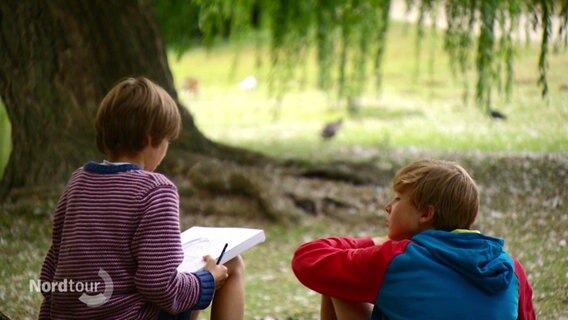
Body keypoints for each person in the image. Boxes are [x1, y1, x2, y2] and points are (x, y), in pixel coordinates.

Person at [39, 77, 245, 320]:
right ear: (150, 139)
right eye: (168, 141)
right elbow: (161, 287)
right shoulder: (155, 190)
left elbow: (50, 272)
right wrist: (206, 281)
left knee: (189, 283)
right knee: (231, 264)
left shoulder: (79, 180)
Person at [291, 159, 535, 320]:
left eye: (398, 199)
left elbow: (307, 259)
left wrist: (377, 242)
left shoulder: (400, 259)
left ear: (425, 214)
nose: (388, 207)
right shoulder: (512, 268)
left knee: (338, 279)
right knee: (342, 276)